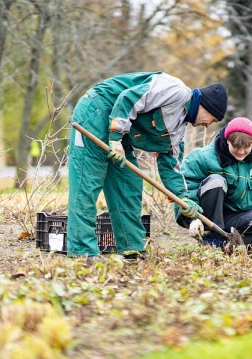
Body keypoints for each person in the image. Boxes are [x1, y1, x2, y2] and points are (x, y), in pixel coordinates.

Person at [67, 71, 228, 260]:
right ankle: (82, 252)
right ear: (205, 106)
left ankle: (132, 249)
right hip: (97, 111)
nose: (208, 125)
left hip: (119, 135)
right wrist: (116, 138)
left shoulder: (178, 128)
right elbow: (129, 98)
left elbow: (171, 166)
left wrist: (183, 198)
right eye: (213, 119)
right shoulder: (175, 90)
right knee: (87, 182)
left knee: (129, 184)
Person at [176, 117, 252, 246]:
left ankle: (229, 242)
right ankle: (211, 238)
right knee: (215, 181)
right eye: (235, 146)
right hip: (208, 218)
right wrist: (193, 219)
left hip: (238, 218)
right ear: (227, 140)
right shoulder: (202, 157)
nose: (241, 152)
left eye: (246, 147)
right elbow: (186, 189)